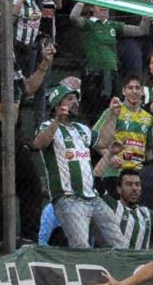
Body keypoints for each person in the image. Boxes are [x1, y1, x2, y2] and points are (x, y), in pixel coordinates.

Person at [32, 85, 126, 249]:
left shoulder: (81, 128)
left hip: (93, 198)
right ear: (57, 105)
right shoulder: (47, 126)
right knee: (81, 246)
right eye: (69, 99)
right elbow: (39, 143)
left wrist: (112, 115)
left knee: (119, 243)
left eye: (76, 99)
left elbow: (104, 141)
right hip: (68, 198)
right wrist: (56, 120)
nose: (75, 102)